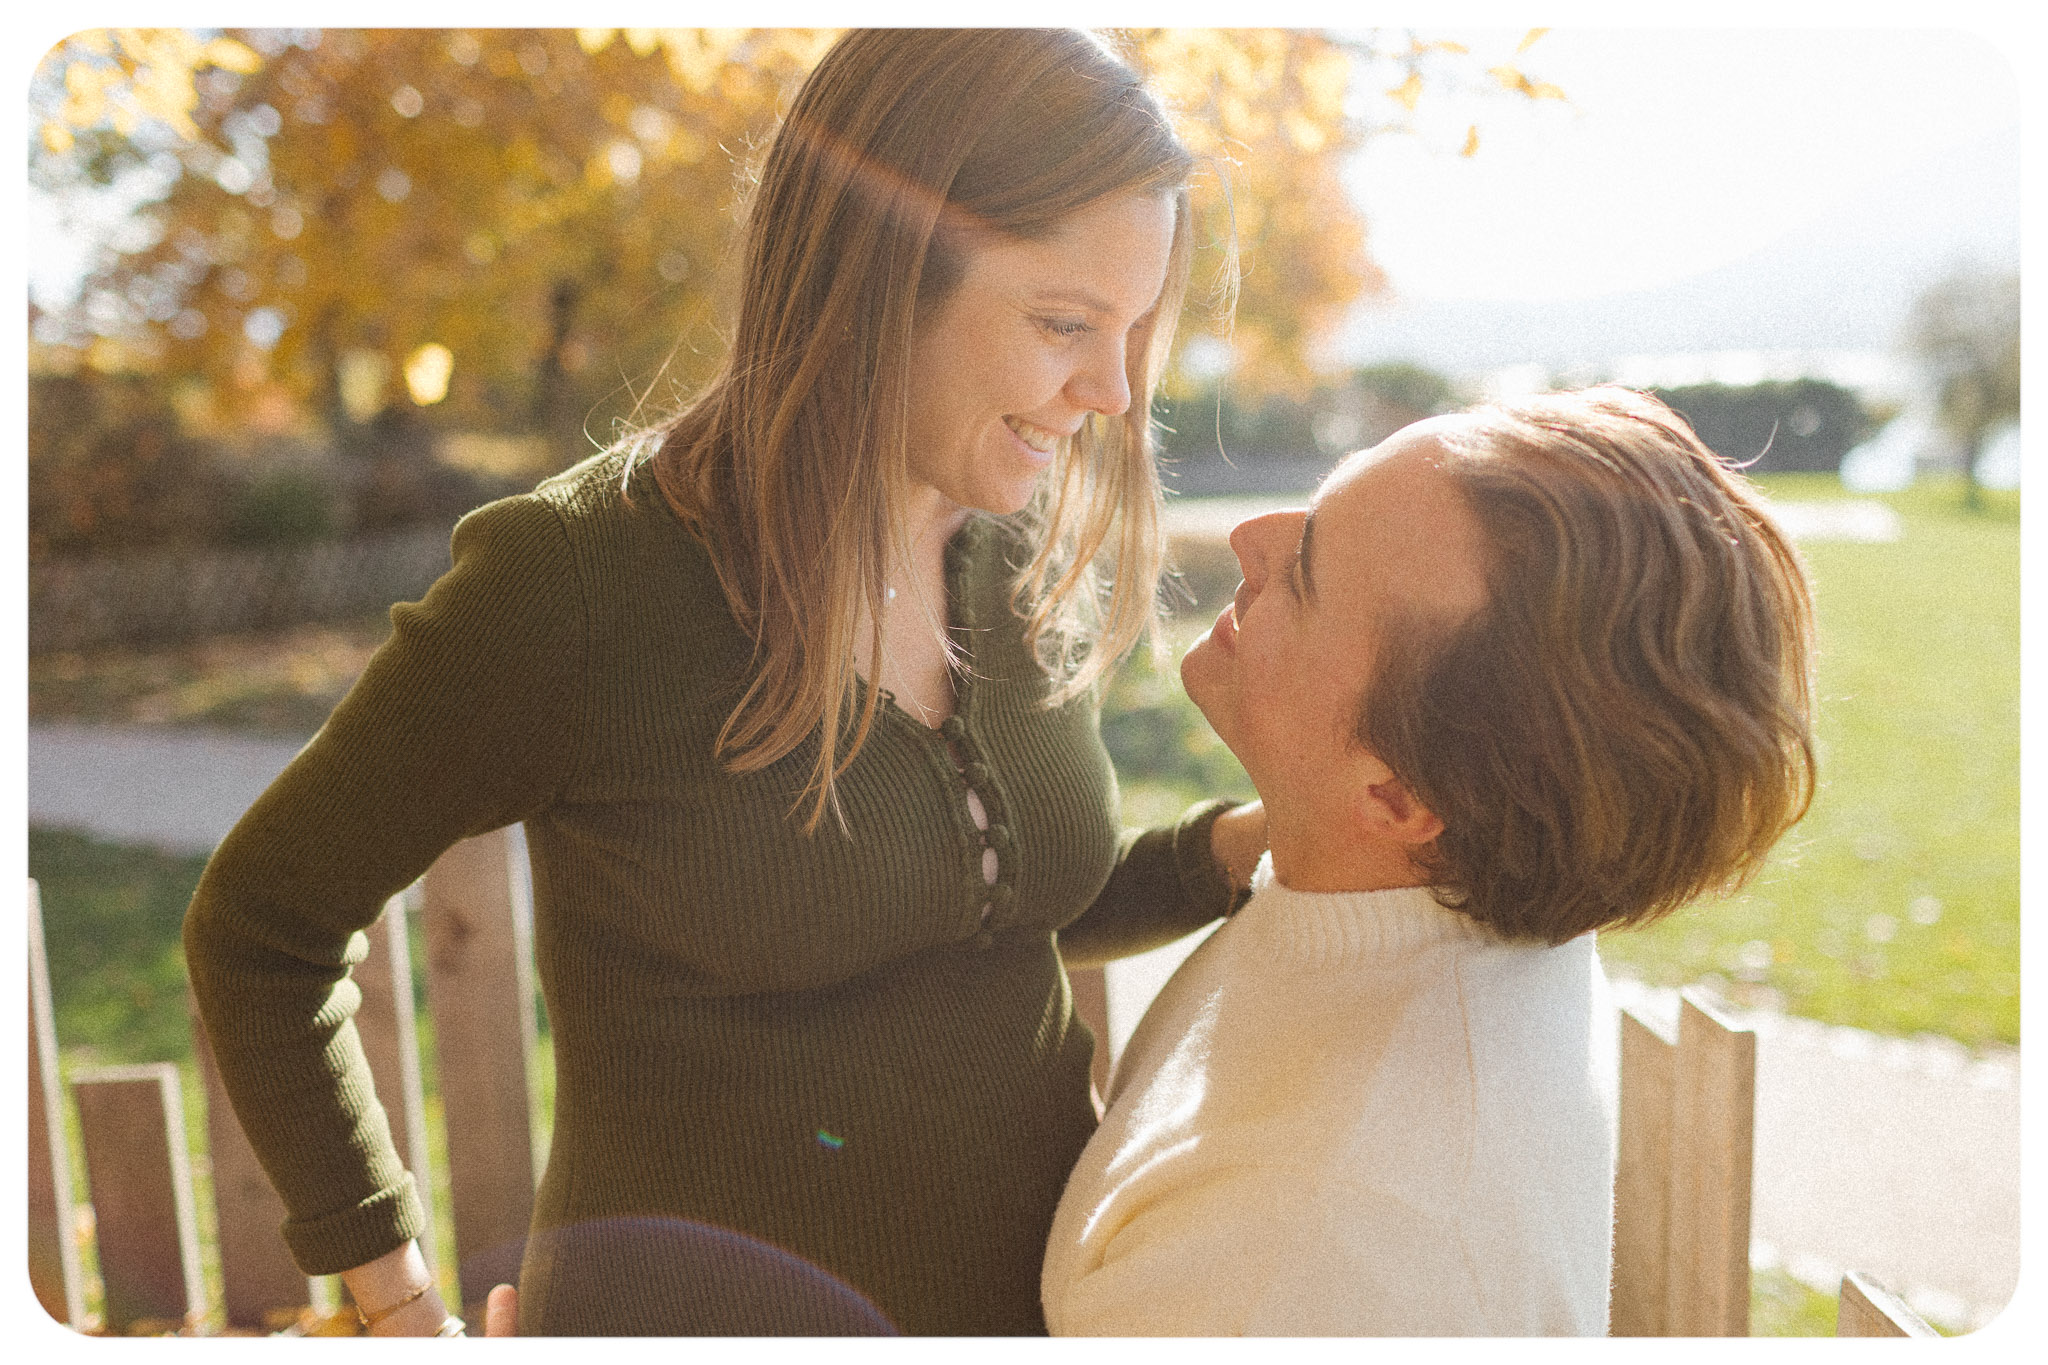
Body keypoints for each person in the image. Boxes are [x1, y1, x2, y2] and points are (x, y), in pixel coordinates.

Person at [183, 29, 1267, 1338]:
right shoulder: (579, 581)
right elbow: (262, 929)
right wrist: (395, 1303)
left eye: (1134, 330)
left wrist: (1238, 851)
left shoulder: (1014, 543)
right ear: (879, 270)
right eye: (1064, 323)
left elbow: (997, 903)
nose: (1110, 389)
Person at [1041, 388, 1818, 1336]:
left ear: (1399, 799)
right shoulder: (1444, 895)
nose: (1250, 538)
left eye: (1307, 573)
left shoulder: (1312, 1245)